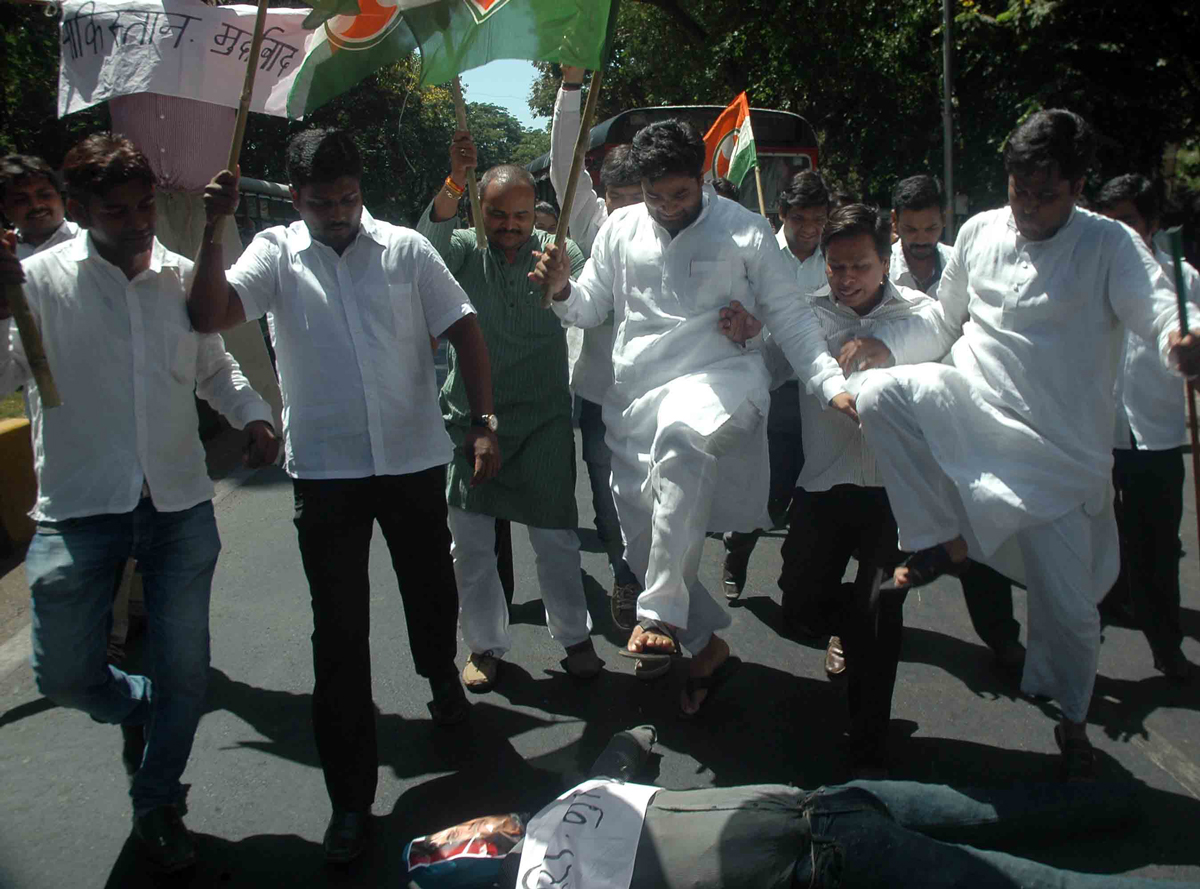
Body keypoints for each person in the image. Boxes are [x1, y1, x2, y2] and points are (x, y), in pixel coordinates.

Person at [842, 110, 1200, 779]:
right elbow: (942, 325)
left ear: (1078, 185)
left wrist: (1185, 336)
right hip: (975, 405)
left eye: (1047, 194)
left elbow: (1158, 309)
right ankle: (942, 536)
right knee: (880, 394)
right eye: (1019, 191)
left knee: (1069, 612)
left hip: (1062, 456)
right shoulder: (978, 233)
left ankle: (1071, 717)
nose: (1030, 208)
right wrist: (884, 348)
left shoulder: (1111, 245)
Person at [188, 128, 495, 863]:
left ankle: (437, 671)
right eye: (322, 202)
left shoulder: (406, 249)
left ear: (361, 190)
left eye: (348, 198)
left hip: (414, 460)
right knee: (339, 635)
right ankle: (350, 802)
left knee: (430, 589)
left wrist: (482, 420)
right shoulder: (273, 254)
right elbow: (208, 315)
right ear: (296, 200)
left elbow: (466, 330)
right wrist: (211, 229)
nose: (338, 213)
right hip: (326, 475)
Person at [0, 133, 277, 873]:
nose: (137, 224)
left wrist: (253, 414)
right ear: (83, 210)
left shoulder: (184, 278)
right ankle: (137, 703)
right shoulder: (34, 283)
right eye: (117, 212)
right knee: (62, 673)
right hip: (78, 507)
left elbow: (215, 371)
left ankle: (158, 801)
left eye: (145, 207)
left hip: (180, 504)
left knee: (190, 671)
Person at [530, 119, 856, 717]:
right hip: (633, 398)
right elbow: (588, 307)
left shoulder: (746, 231)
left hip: (723, 380)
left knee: (683, 439)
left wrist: (830, 383)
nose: (667, 207)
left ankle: (657, 612)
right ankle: (707, 646)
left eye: (679, 194)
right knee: (639, 541)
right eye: (656, 196)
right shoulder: (620, 229)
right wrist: (558, 290)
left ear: (702, 179)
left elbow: (791, 316)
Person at [427, 726, 1198, 889]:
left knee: (999, 829)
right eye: (456, 835)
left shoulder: (561, 818)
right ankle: (1128, 822)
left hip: (821, 820)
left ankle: (1118, 806)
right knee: (1010, 860)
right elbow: (623, 754)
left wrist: (639, 735)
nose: (470, 823)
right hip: (822, 845)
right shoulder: (551, 857)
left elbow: (622, 754)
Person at [731, 205, 935, 774]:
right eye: (835, 265)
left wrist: (887, 349)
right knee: (799, 602)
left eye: (859, 266)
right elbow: (766, 362)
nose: (845, 278)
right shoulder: (805, 317)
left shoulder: (922, 314)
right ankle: (849, 628)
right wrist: (748, 333)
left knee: (880, 613)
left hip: (895, 494)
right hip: (823, 486)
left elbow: (947, 355)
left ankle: (869, 739)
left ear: (885, 260)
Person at [417, 136, 600, 695]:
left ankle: (575, 639)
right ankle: (484, 646)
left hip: (544, 419)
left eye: (520, 214)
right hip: (471, 420)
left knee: (556, 538)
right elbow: (428, 240)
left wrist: (564, 281)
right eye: (497, 213)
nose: (509, 224)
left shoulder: (558, 248)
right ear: (482, 208)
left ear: (535, 210)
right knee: (471, 544)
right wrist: (453, 178)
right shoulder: (466, 246)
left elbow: (594, 297)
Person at [889, 173, 1027, 678]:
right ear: (895, 225)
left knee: (977, 533)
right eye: (911, 229)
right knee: (892, 538)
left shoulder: (962, 263)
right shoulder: (878, 270)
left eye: (930, 227)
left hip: (960, 417)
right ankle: (864, 633)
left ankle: (1003, 639)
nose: (922, 239)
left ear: (943, 221)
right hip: (900, 424)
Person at [1096, 173, 1200, 683]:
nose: (1119, 232)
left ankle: (1167, 645)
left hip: (1155, 435)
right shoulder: (1087, 273)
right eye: (1109, 221)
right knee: (1096, 543)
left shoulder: (1182, 278)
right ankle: (1089, 640)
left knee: (1158, 545)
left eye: (1130, 222)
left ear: (1153, 224)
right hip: (1095, 433)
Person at [553, 66, 644, 631]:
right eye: (618, 199)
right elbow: (565, 167)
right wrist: (570, 90)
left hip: (659, 397)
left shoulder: (674, 233)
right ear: (602, 198)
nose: (629, 212)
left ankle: (668, 592)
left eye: (640, 199)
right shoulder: (593, 228)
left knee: (665, 502)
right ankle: (626, 579)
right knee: (609, 500)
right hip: (597, 397)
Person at [721, 171, 831, 605]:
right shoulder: (758, 254)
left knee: (811, 496)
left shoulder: (835, 256)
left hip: (820, 390)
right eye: (799, 218)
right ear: (781, 214)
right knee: (769, 489)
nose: (809, 229)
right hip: (773, 386)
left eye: (818, 219)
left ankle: (795, 584)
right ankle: (738, 546)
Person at [0, 154, 79, 259]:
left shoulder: (88, 240)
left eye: (45, 195)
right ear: (4, 209)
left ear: (60, 196)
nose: (36, 205)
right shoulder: (6, 255)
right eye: (21, 200)